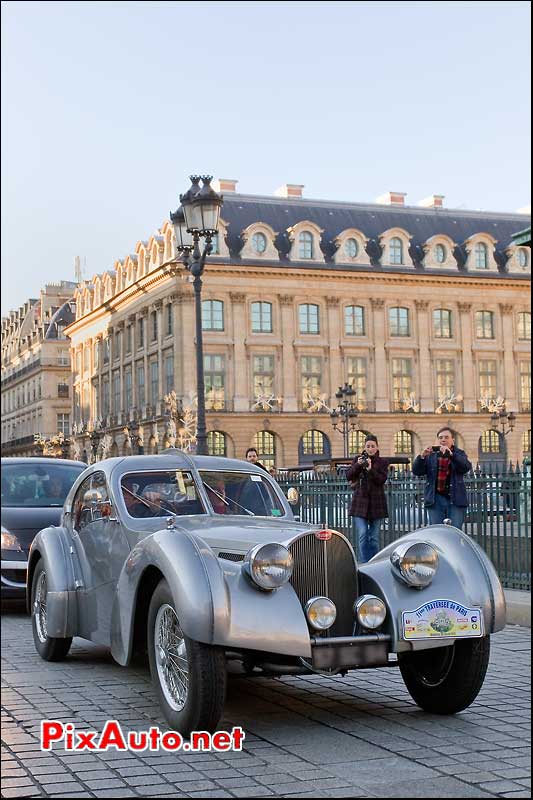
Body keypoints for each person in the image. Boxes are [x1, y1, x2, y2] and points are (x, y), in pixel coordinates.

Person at [412, 426, 472, 529]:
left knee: (455, 530)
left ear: (452, 440)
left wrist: (452, 455)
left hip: (455, 499)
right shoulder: (431, 455)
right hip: (435, 499)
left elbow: (465, 467)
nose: (443, 440)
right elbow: (417, 471)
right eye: (440, 437)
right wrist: (422, 457)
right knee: (437, 531)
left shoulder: (459, 453)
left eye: (446, 437)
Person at [346, 435, 389, 562]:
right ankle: (364, 562)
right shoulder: (357, 460)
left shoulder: (382, 462)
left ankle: (374, 561)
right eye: (368, 446)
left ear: (377, 447)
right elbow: (348, 476)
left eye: (373, 446)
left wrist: (370, 470)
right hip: (360, 502)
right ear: (364, 447)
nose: (370, 449)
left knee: (374, 537)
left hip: (377, 503)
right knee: (363, 533)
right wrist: (358, 465)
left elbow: (381, 479)